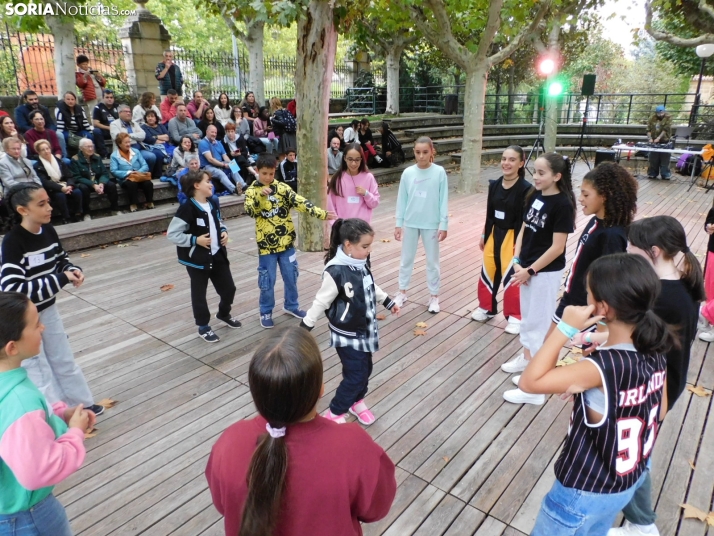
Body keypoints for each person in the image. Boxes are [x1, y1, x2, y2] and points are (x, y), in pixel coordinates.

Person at [521, 254, 671, 535]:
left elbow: (530, 382)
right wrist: (597, 398)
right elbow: (659, 411)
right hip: (624, 483)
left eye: (587, 295)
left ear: (603, 308)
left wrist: (565, 328)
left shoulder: (600, 367)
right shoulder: (656, 346)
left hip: (582, 490)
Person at [205, 326, 397, 535]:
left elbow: (222, 504)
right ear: (320, 389)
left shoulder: (229, 443)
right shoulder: (353, 446)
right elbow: (376, 508)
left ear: (257, 391)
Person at [606, 217, 703, 536]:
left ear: (653, 251)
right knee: (635, 453)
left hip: (653, 390)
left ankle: (642, 524)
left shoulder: (663, 297)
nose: (627, 252)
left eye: (632, 247)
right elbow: (642, 338)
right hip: (663, 385)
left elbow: (637, 345)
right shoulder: (678, 282)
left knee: (632, 457)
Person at [0, 182, 104, 415]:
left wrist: (72, 269)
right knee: (37, 367)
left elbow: (60, 259)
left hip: (47, 308)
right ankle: (53, 415)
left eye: (48, 201)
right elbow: (13, 287)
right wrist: (61, 279)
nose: (49, 207)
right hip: (23, 318)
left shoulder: (48, 230)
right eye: (42, 204)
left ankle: (80, 404)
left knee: (62, 356)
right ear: (22, 210)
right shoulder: (13, 242)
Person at [0, 291, 93, 536]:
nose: (42, 327)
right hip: (28, 517)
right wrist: (75, 432)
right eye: (35, 324)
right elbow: (38, 471)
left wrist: (60, 415)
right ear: (12, 347)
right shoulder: (20, 401)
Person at [301, 218, 399, 424]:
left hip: (365, 328)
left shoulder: (360, 263)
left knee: (365, 368)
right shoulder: (335, 271)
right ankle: (335, 412)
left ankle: (356, 400)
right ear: (348, 245)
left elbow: (371, 286)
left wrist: (387, 301)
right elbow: (320, 301)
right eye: (365, 246)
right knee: (356, 373)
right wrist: (306, 326)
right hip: (347, 332)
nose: (369, 250)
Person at [501, 153, 576, 405]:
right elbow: (525, 227)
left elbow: (557, 247)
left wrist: (530, 270)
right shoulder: (535, 195)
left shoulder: (563, 205)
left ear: (557, 176)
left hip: (544, 272)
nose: (536, 176)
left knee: (539, 323)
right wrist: (517, 257)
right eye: (535, 171)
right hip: (526, 268)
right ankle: (526, 359)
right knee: (527, 318)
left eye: (542, 173)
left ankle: (536, 387)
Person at [244, 154, 336, 329]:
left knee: (291, 276)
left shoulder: (282, 188)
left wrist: (321, 213)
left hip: (286, 244)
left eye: (271, 174)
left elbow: (301, 203)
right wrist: (261, 198)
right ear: (257, 171)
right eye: (264, 173)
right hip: (266, 247)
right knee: (267, 281)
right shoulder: (251, 192)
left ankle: (291, 305)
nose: (268, 178)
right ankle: (265, 310)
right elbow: (250, 211)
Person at [167, 170, 240, 343]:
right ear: (197, 185)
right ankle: (203, 326)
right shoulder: (187, 208)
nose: (211, 184)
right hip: (197, 260)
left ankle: (223, 313)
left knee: (229, 289)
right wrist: (194, 240)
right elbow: (172, 234)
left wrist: (223, 231)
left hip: (217, 255)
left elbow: (218, 222)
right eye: (208, 181)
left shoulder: (212, 203)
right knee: (199, 294)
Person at [472, 146, 533, 335]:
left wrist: (520, 247)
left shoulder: (526, 189)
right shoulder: (495, 184)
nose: (506, 163)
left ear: (521, 163)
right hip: (494, 233)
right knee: (488, 270)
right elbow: (489, 213)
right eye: (504, 159)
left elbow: (525, 221)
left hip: (513, 236)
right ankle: (487, 308)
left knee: (511, 276)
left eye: (512, 159)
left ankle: (515, 316)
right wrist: (484, 234)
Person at [394, 136, 449, 314]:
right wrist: (398, 223)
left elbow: (443, 200)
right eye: (418, 152)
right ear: (414, 152)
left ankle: (434, 296)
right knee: (406, 259)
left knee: (432, 262)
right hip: (411, 222)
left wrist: (443, 224)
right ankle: (402, 291)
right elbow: (402, 199)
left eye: (425, 152)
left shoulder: (439, 172)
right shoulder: (408, 173)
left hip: (431, 224)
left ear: (432, 151)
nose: (421, 156)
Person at [33, 140, 86, 224]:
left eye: (47, 148)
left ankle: (78, 214)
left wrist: (70, 186)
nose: (46, 151)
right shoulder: (37, 166)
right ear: (38, 152)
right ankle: (66, 217)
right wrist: (61, 188)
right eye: (43, 150)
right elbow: (45, 182)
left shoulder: (59, 161)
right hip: (52, 188)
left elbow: (69, 175)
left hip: (66, 184)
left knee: (77, 192)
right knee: (60, 196)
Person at [327, 143, 378, 227]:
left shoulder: (368, 177)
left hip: (362, 229)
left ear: (361, 159)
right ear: (344, 158)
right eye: (350, 159)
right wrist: (336, 225)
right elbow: (331, 206)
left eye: (357, 160)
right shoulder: (337, 179)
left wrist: (366, 194)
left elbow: (374, 203)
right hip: (342, 229)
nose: (353, 163)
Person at [110, 105, 164, 180]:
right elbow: (117, 137)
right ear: (119, 113)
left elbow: (143, 135)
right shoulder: (114, 124)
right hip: (124, 150)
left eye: (129, 112)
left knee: (152, 156)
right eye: (126, 112)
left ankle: (145, 176)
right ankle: (135, 177)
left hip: (138, 148)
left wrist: (128, 135)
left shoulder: (134, 123)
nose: (129, 113)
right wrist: (134, 136)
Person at [71, 138, 121, 216]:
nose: (91, 149)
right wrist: (93, 185)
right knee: (83, 189)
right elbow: (77, 177)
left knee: (111, 185)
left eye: (92, 146)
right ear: (81, 148)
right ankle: (86, 213)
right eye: (88, 147)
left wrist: (101, 183)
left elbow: (104, 173)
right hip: (85, 182)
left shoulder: (97, 157)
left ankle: (115, 209)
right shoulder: (75, 159)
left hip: (98, 181)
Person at [110, 132, 154, 213]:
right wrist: (129, 173)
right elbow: (114, 171)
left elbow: (145, 165)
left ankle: (149, 202)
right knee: (131, 184)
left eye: (129, 142)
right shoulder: (114, 155)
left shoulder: (136, 151)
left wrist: (138, 172)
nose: (128, 144)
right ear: (119, 144)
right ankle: (133, 204)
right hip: (125, 178)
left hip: (139, 176)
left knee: (148, 183)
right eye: (126, 142)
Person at [199, 124, 245, 195]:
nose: (214, 134)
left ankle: (243, 186)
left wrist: (231, 163)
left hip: (220, 164)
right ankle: (234, 189)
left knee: (233, 166)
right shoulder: (203, 143)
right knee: (221, 173)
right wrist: (224, 165)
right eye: (212, 132)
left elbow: (225, 156)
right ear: (207, 132)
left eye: (215, 133)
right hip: (208, 167)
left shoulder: (218, 142)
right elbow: (210, 159)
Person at [699, 201, 714, 342]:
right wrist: (709, 226)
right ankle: (708, 318)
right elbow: (710, 219)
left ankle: (707, 314)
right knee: (710, 286)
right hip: (713, 251)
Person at [646, 105, 672, 180]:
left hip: (664, 140)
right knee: (653, 159)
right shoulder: (652, 118)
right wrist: (650, 138)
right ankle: (652, 173)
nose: (660, 115)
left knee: (664, 159)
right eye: (659, 113)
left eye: (662, 113)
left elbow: (665, 129)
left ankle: (665, 174)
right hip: (654, 141)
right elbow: (648, 129)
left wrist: (659, 138)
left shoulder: (668, 117)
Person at [91, 89, 118, 158]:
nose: (109, 99)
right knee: (96, 131)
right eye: (107, 97)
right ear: (103, 98)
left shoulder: (118, 107)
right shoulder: (98, 108)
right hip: (105, 131)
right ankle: (104, 154)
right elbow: (95, 123)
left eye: (111, 97)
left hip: (116, 130)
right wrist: (108, 128)